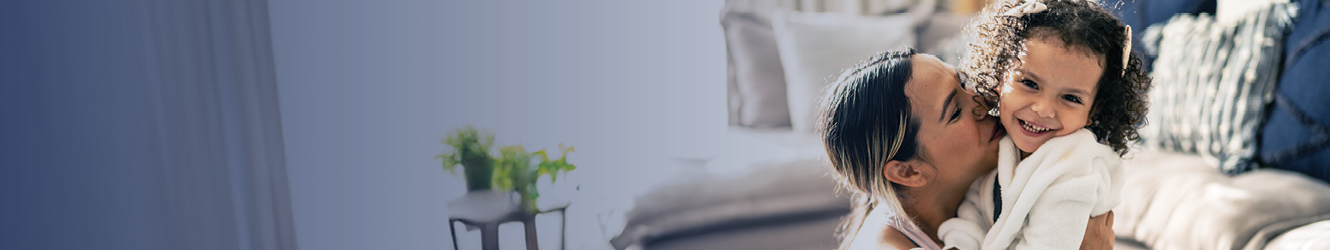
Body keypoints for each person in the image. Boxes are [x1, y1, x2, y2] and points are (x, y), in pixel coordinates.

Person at [817, 48, 1115, 250]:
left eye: (962, 82)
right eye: (955, 111)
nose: (982, 99)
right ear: (907, 171)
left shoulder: (992, 190)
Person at [936, 0, 1152, 249]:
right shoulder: (1001, 145)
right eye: (1030, 83)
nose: (1044, 109)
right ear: (999, 75)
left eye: (1071, 98)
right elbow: (974, 212)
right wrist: (958, 244)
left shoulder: (1075, 169)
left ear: (1093, 111)